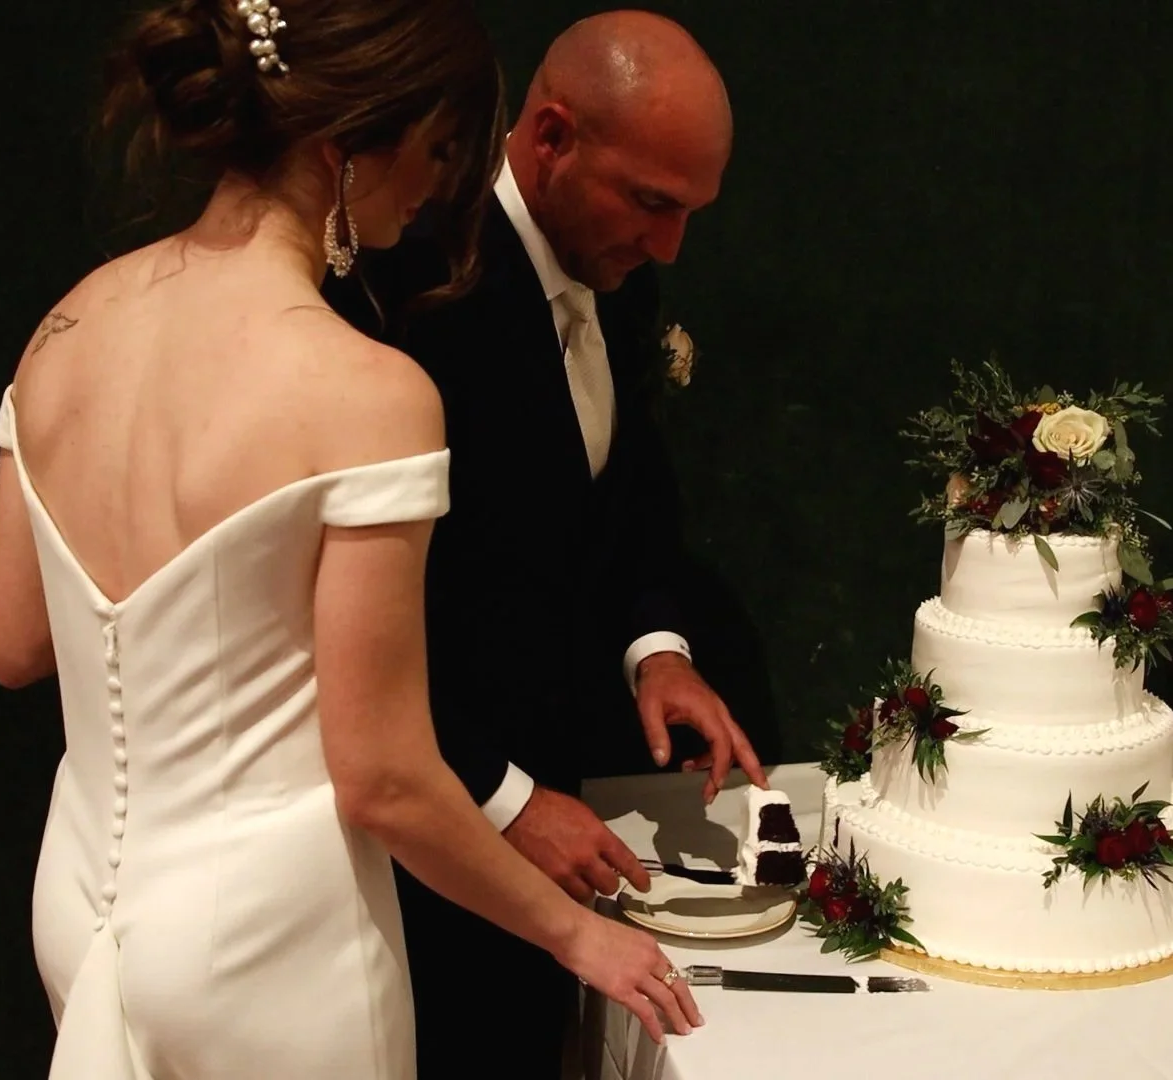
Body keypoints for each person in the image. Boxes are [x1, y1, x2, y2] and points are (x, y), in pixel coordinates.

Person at [0, 2, 700, 1075]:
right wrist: (578, 934)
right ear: (346, 144)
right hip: (270, 935)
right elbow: (384, 778)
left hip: (82, 899)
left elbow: (15, 644)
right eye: (440, 146)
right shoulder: (365, 392)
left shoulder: (68, 325)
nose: (443, 184)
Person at [326, 11, 761, 1075]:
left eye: (691, 212)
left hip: (568, 804)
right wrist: (505, 800)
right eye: (653, 203)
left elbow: (628, 489)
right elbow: (370, 618)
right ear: (551, 137)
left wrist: (658, 648)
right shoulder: (414, 287)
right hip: (429, 841)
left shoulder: (618, 275)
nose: (668, 246)